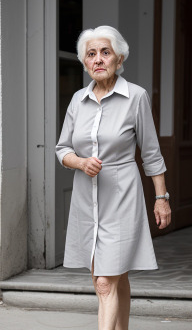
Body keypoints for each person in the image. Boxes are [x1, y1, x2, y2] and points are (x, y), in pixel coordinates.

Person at [55, 25, 171, 330]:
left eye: (105, 52)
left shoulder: (136, 97)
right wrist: (80, 162)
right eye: (91, 54)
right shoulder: (78, 101)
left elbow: (151, 153)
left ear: (119, 59)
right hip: (86, 203)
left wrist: (161, 198)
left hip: (122, 198)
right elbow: (62, 148)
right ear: (84, 63)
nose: (98, 59)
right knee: (113, 280)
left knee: (106, 282)